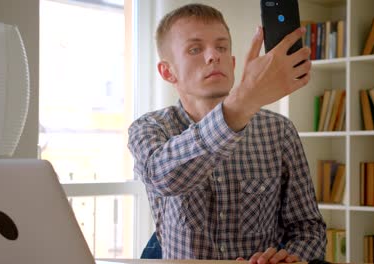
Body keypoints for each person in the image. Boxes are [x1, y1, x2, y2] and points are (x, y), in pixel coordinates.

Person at [128, 3, 326, 263]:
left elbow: (309, 229)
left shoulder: (279, 131)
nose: (213, 56)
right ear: (168, 71)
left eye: (221, 47)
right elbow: (162, 178)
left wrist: (290, 258)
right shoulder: (149, 128)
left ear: (232, 63)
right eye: (195, 49)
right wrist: (241, 105)